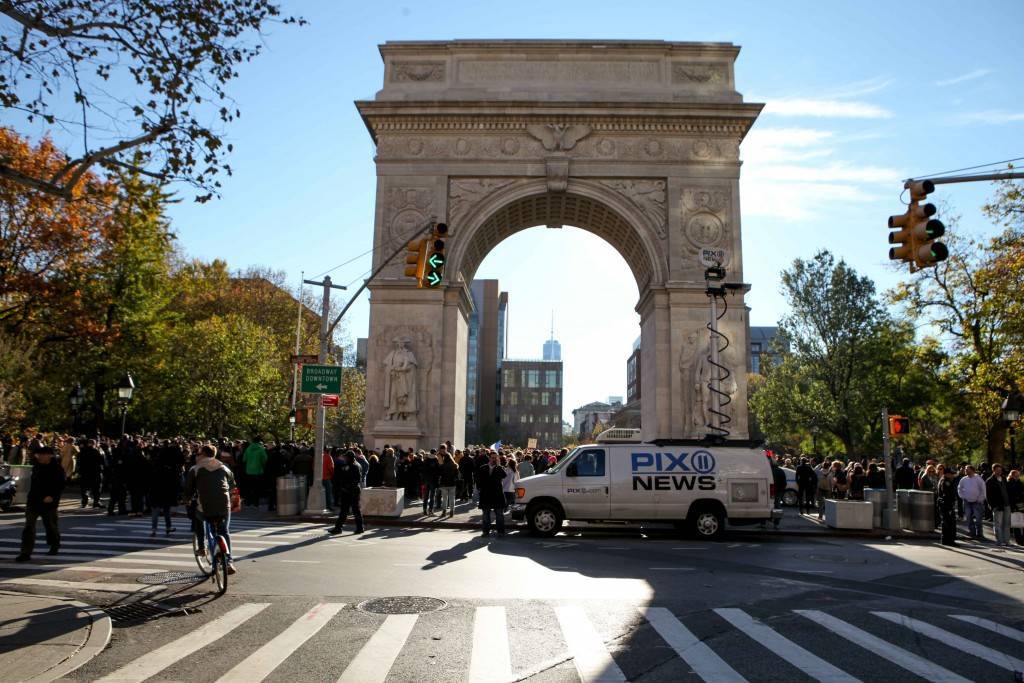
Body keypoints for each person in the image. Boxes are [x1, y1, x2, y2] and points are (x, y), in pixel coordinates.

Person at [185, 444, 236, 574]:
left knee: (197, 517)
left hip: (205, 508)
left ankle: (201, 547)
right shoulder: (224, 467)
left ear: (203, 455)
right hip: (225, 506)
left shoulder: (195, 469)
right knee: (224, 531)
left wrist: (187, 500)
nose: (196, 456)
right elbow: (232, 485)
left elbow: (189, 490)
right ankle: (229, 561)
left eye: (198, 454)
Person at [15, 446, 66, 562]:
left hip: (49, 503)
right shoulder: (36, 467)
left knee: (50, 526)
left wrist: (52, 496)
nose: (39, 457)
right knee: (29, 527)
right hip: (33, 501)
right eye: (38, 455)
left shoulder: (57, 468)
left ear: (50, 455)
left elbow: (61, 485)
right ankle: (25, 552)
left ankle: (55, 544)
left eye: (42, 455)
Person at [329, 450, 364, 534]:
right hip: (348, 490)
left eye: (346, 457)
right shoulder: (350, 465)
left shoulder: (354, 466)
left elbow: (357, 479)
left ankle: (359, 528)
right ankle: (338, 527)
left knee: (355, 510)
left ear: (350, 458)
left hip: (352, 491)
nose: (344, 458)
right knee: (345, 510)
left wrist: (347, 487)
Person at [476, 451, 507, 537]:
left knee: (499, 514)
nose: (494, 459)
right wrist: (479, 489)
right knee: (486, 514)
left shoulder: (500, 468)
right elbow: (478, 480)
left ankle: (500, 531)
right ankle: (486, 531)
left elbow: (504, 476)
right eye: (492, 457)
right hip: (486, 494)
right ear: (489, 458)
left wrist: (499, 465)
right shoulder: (483, 468)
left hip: (497, 494)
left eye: (496, 458)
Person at [957, 465, 986, 541]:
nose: (965, 470)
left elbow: (983, 489)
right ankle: (972, 533)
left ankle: (979, 534)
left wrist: (980, 499)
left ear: (972, 470)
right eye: (965, 469)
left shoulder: (978, 479)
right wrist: (963, 497)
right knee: (969, 518)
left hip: (977, 502)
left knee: (978, 519)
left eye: (967, 469)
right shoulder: (963, 479)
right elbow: (959, 488)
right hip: (967, 502)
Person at [986, 464, 1012, 547]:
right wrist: (992, 506)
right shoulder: (990, 480)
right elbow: (988, 496)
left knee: (1007, 524)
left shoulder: (1004, 478)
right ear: (993, 470)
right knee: (998, 524)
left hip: (1007, 504)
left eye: (1000, 470)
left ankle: (1007, 541)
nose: (999, 471)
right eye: (997, 470)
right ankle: (999, 541)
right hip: (997, 506)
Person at [76, 438, 104, 508]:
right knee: (96, 488)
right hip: (95, 472)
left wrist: (79, 471)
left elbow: (78, 462)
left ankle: (84, 502)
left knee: (84, 488)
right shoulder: (97, 451)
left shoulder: (82, 452)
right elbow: (102, 461)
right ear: (94, 444)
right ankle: (96, 502)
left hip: (84, 472)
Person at [242, 438, 267, 508]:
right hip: (258, 471)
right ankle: (256, 503)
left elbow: (244, 459)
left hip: (248, 471)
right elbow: (265, 460)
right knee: (257, 488)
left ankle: (248, 503)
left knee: (249, 488)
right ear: (259, 442)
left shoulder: (248, 449)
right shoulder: (261, 449)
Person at [936, 465, 958, 546]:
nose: (952, 475)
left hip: (946, 504)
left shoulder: (946, 480)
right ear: (947, 474)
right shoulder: (945, 481)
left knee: (949, 523)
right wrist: (949, 505)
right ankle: (948, 540)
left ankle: (948, 540)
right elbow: (947, 494)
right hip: (946, 505)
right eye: (951, 474)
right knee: (948, 523)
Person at [437, 450, 459, 518]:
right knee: (452, 498)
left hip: (444, 483)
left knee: (444, 499)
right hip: (452, 483)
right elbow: (457, 475)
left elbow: (440, 474)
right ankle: (452, 512)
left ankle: (444, 512)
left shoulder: (442, 466)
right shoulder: (455, 465)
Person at [1006, 469, 1023, 546]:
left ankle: (1021, 539)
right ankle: (1019, 540)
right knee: (1016, 523)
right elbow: (1010, 496)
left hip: (1021, 505)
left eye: (1018, 475)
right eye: (1016, 475)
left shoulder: (1019, 483)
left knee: (1021, 523)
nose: (1017, 477)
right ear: (1012, 475)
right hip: (1014, 506)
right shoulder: (1009, 483)